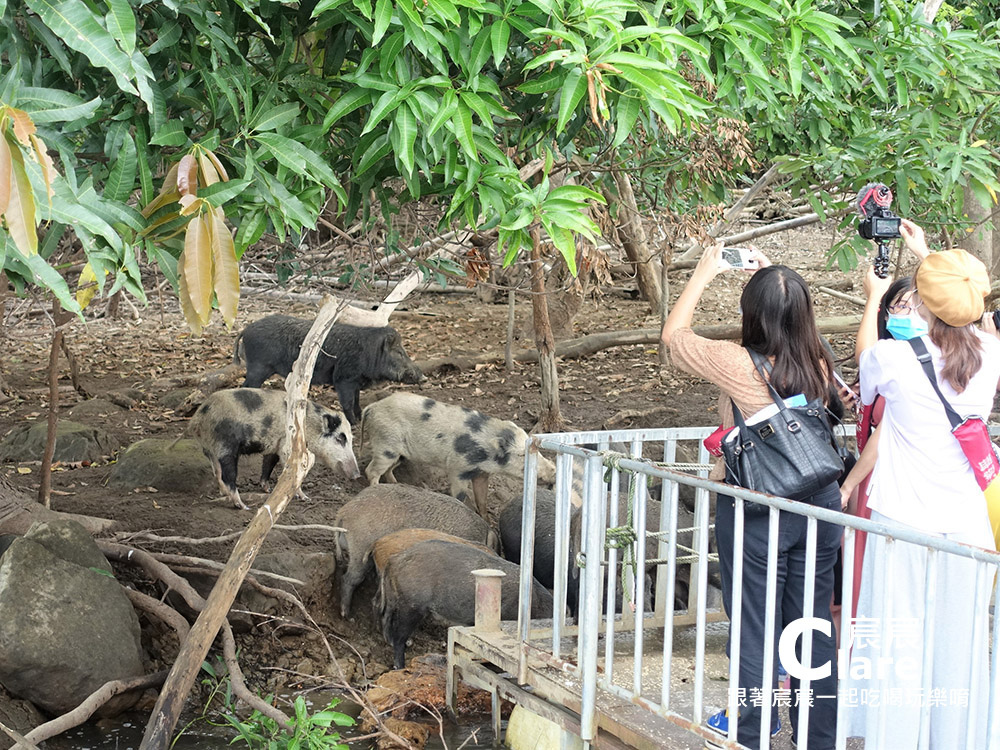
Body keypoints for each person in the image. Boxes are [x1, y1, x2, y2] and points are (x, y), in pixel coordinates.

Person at [662, 244, 843, 750]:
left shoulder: (738, 365)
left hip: (758, 509)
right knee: (810, 626)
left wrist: (703, 273)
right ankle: (815, 739)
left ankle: (752, 736)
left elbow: (674, 337)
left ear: (752, 316)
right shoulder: (820, 361)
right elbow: (796, 326)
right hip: (821, 504)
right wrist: (782, 290)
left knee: (754, 629)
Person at [846, 219, 1000, 748]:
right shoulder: (992, 353)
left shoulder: (893, 358)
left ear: (924, 302)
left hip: (903, 525)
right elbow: (962, 314)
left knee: (897, 646)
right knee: (956, 650)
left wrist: (876, 297)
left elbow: (866, 371)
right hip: (968, 527)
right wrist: (932, 258)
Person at [838, 275, 917, 619]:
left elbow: (883, 439)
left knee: (882, 574)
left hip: (891, 482)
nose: (906, 312)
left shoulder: (914, 367)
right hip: (872, 480)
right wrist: (859, 403)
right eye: (898, 305)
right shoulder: (886, 366)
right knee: (860, 567)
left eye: (914, 306)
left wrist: (849, 484)